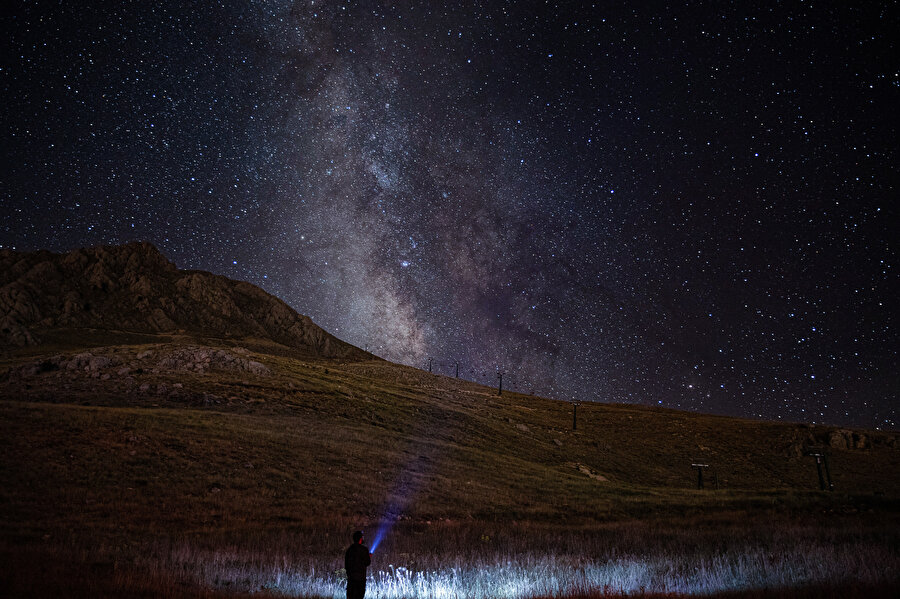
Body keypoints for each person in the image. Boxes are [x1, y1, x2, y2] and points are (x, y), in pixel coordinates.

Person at [344, 530, 371, 599]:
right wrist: (368, 556)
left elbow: (346, 565)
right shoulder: (364, 549)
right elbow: (367, 562)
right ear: (360, 539)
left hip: (351, 579)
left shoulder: (349, 550)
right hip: (360, 580)